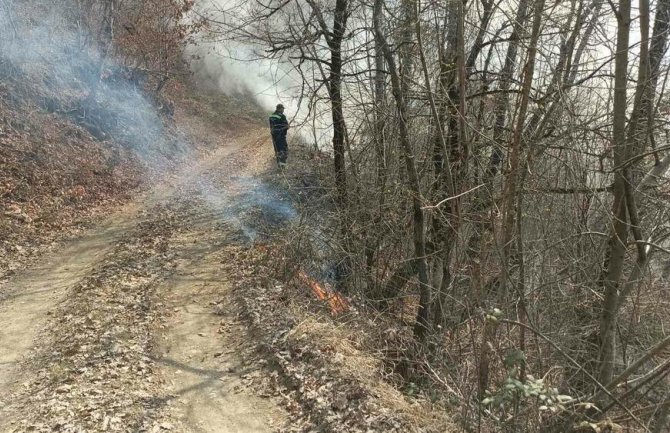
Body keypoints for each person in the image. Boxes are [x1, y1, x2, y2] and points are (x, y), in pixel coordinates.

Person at [269, 104, 289, 168]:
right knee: (283, 150)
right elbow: (285, 126)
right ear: (280, 109)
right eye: (283, 109)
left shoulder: (271, 116)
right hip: (281, 136)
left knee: (277, 150)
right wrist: (287, 127)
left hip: (274, 136)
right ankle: (283, 167)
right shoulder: (282, 116)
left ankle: (279, 165)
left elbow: (272, 126)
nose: (283, 110)